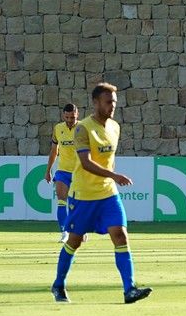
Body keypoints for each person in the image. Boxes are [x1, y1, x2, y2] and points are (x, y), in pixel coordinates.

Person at [51, 82, 151, 304]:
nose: (112, 106)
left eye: (114, 102)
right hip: (84, 195)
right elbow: (85, 163)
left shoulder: (115, 127)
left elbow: (109, 160)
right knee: (74, 242)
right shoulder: (82, 129)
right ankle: (58, 284)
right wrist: (114, 176)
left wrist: (111, 179)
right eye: (108, 102)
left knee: (120, 235)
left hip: (107, 194)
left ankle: (129, 289)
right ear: (96, 102)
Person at [44, 103, 80, 242]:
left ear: (77, 114)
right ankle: (64, 233)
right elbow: (54, 151)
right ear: (63, 115)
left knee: (77, 205)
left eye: (72, 117)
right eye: (67, 117)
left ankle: (79, 230)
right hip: (63, 170)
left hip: (80, 172)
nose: (70, 120)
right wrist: (48, 170)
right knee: (61, 200)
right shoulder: (58, 129)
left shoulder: (83, 128)